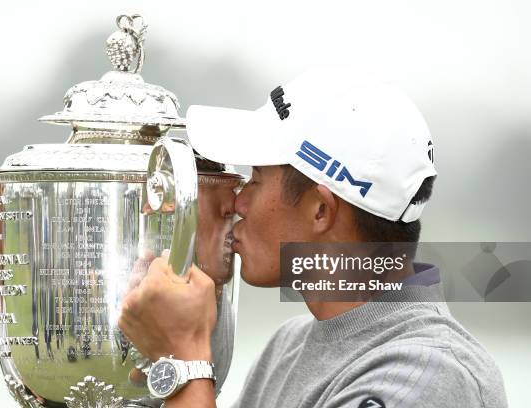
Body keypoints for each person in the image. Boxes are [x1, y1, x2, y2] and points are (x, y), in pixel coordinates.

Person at [118, 67, 508, 407]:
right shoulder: (286, 348)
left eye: (256, 179)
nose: (238, 202)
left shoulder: (429, 375)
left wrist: (185, 356)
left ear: (320, 210)